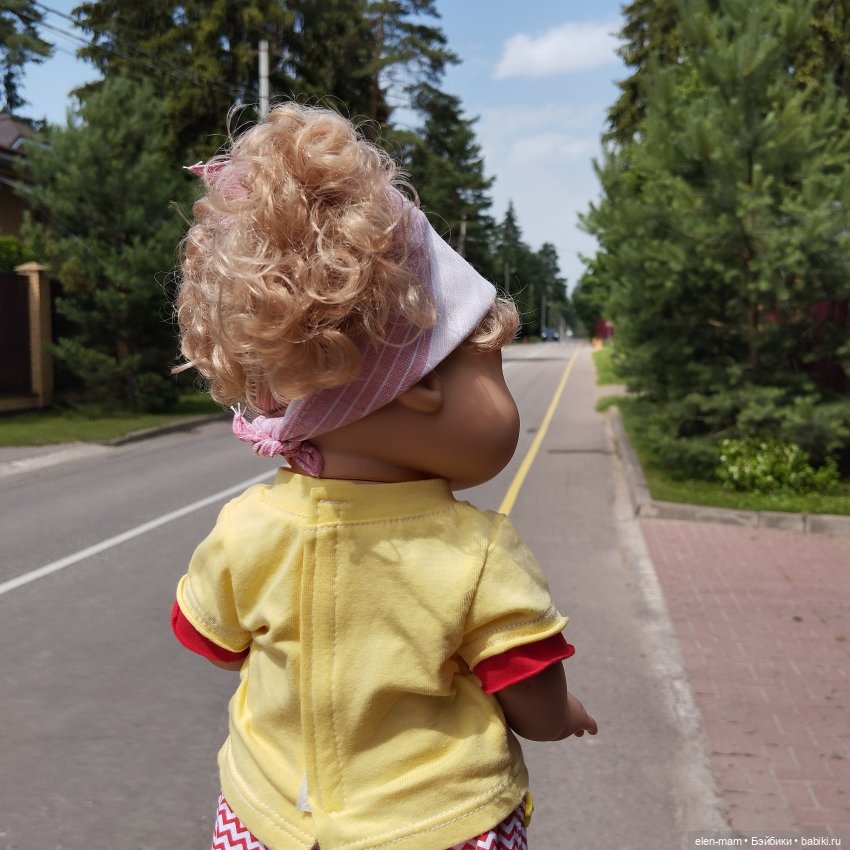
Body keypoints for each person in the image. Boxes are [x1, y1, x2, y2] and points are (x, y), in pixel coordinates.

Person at [171, 102, 597, 850]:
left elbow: (208, 636)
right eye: (488, 364)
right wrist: (564, 715)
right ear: (418, 388)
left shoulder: (246, 528)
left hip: (263, 816)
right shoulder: (476, 554)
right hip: (438, 827)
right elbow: (531, 700)